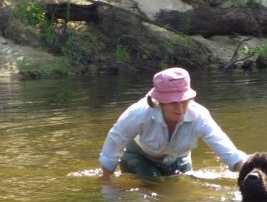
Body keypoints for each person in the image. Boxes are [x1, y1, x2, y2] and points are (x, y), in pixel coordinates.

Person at [99, 67, 247, 182]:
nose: (180, 108)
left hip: (178, 159)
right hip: (140, 156)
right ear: (161, 102)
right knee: (152, 187)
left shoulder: (199, 116)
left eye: (184, 101)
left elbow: (223, 145)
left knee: (181, 188)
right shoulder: (139, 113)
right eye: (173, 102)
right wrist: (106, 183)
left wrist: (244, 169)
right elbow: (115, 141)